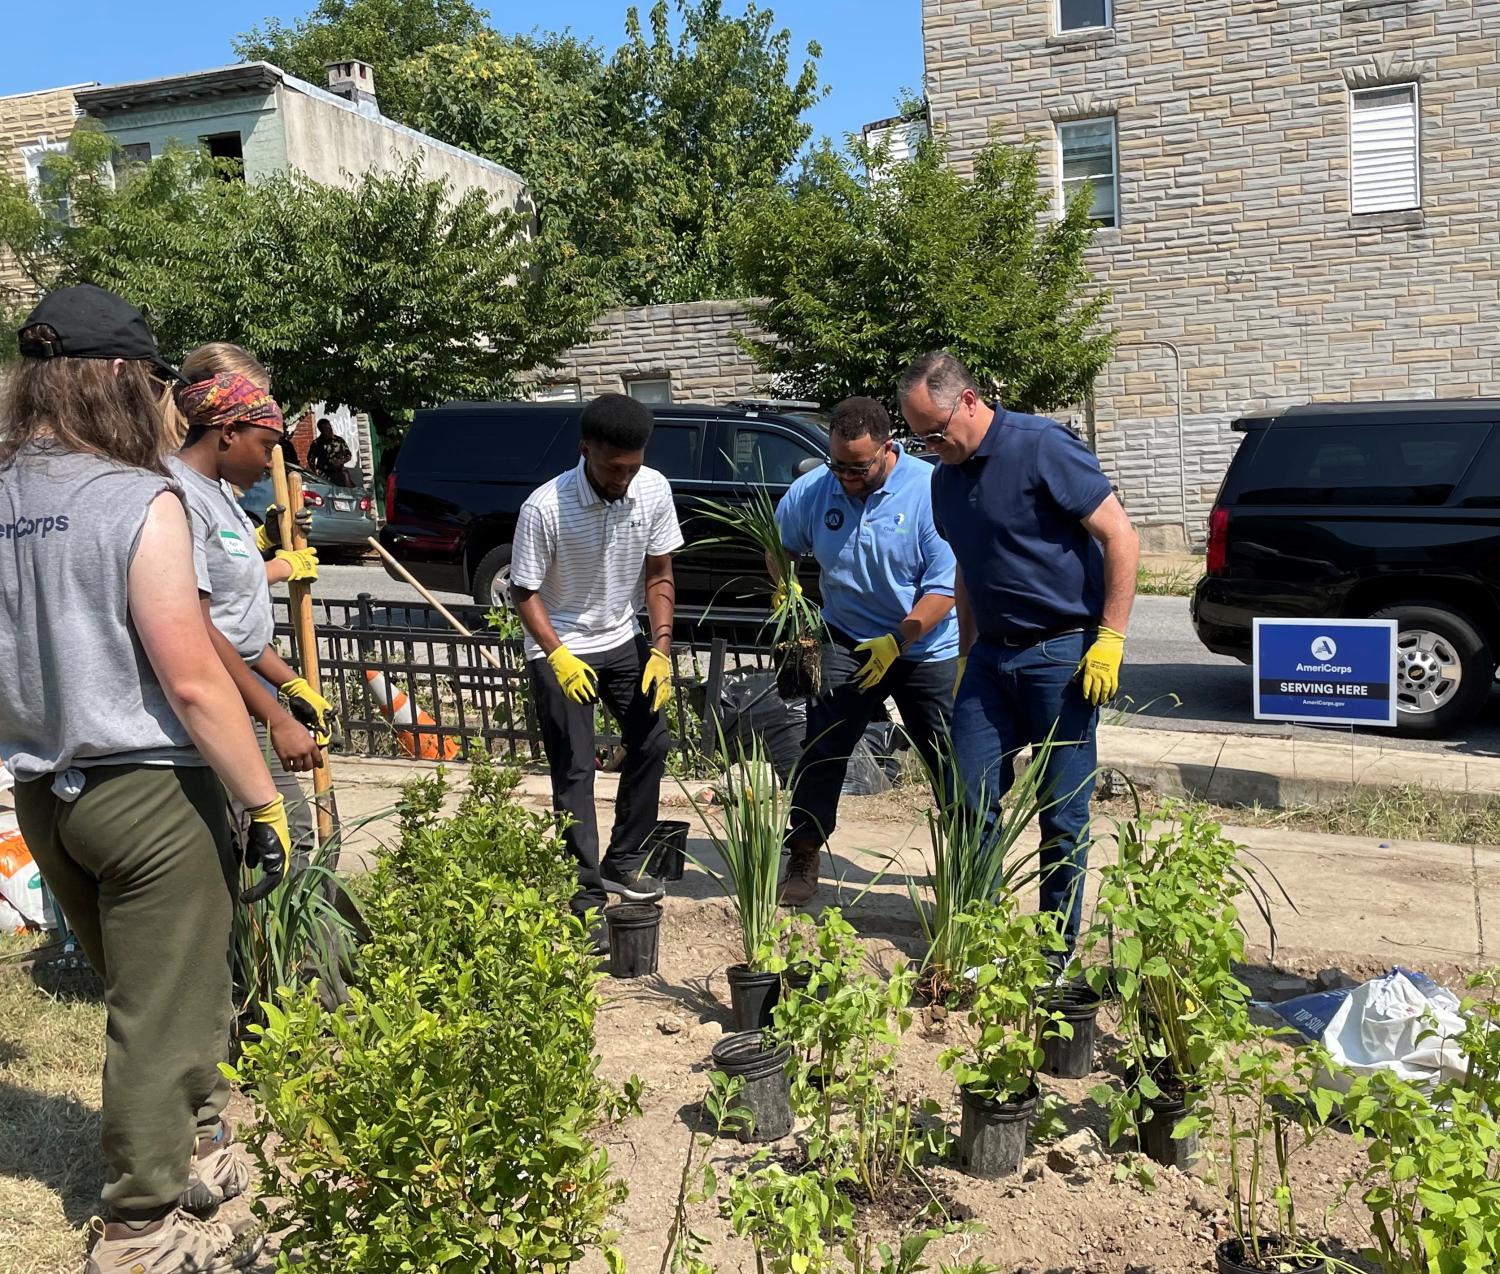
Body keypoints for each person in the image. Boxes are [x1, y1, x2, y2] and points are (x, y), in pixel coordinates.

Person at [0, 284, 289, 1273]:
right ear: (122, 376)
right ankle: (138, 1225)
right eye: (156, 380)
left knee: (148, 994)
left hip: (45, 791)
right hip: (148, 792)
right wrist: (262, 798)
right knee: (161, 1012)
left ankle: (192, 1148)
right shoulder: (136, 497)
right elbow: (194, 677)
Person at [898, 351, 1140, 955]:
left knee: (1061, 813)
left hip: (1061, 654)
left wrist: (1109, 637)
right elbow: (967, 571)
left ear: (970, 401)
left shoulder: (1041, 446)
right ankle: (977, 943)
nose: (931, 445)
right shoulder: (943, 479)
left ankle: (1052, 956)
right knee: (970, 799)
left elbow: (1120, 534)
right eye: (919, 437)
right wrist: (965, 657)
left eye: (937, 431)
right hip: (989, 660)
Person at [771, 396, 959, 905]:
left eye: (859, 467)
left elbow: (945, 589)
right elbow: (779, 544)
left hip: (923, 645)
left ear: (888, 449)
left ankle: (968, 860)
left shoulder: (929, 490)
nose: (847, 477)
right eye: (839, 465)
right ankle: (804, 853)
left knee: (949, 756)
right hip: (845, 637)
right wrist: (787, 587)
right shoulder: (815, 489)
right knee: (823, 747)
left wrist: (898, 640)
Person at [510, 394, 682, 946]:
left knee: (652, 742)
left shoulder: (652, 488)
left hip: (622, 638)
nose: (623, 480)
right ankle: (583, 893)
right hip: (559, 642)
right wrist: (558, 655)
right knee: (576, 768)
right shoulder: (546, 508)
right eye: (613, 468)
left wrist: (660, 648)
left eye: (632, 467)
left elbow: (659, 574)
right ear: (585, 450)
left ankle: (623, 860)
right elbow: (525, 591)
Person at [171, 342, 337, 869]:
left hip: (246, 682)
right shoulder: (177, 497)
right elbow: (202, 627)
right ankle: (297, 954)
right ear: (227, 431)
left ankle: (289, 952)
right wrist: (275, 714)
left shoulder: (221, 493)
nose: (271, 460)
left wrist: (291, 686)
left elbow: (235, 615)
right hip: (218, 696)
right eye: (266, 444)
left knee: (289, 840)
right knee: (283, 842)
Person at [305, 416, 351, 486]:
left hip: (338, 473)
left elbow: (348, 455)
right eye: (325, 428)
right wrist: (315, 472)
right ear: (321, 430)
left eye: (329, 427)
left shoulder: (339, 440)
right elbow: (310, 459)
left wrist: (341, 461)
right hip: (324, 474)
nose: (328, 429)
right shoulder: (317, 443)